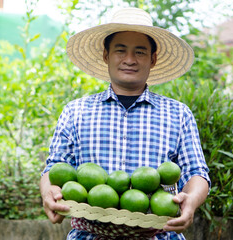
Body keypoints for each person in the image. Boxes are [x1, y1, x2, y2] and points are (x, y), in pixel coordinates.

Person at [40, 7, 211, 240]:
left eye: (140, 52)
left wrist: (191, 199)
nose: (129, 60)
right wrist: (49, 193)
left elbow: (196, 173)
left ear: (153, 59)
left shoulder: (178, 114)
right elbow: (55, 168)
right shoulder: (76, 111)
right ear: (106, 55)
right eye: (120, 50)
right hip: (90, 235)